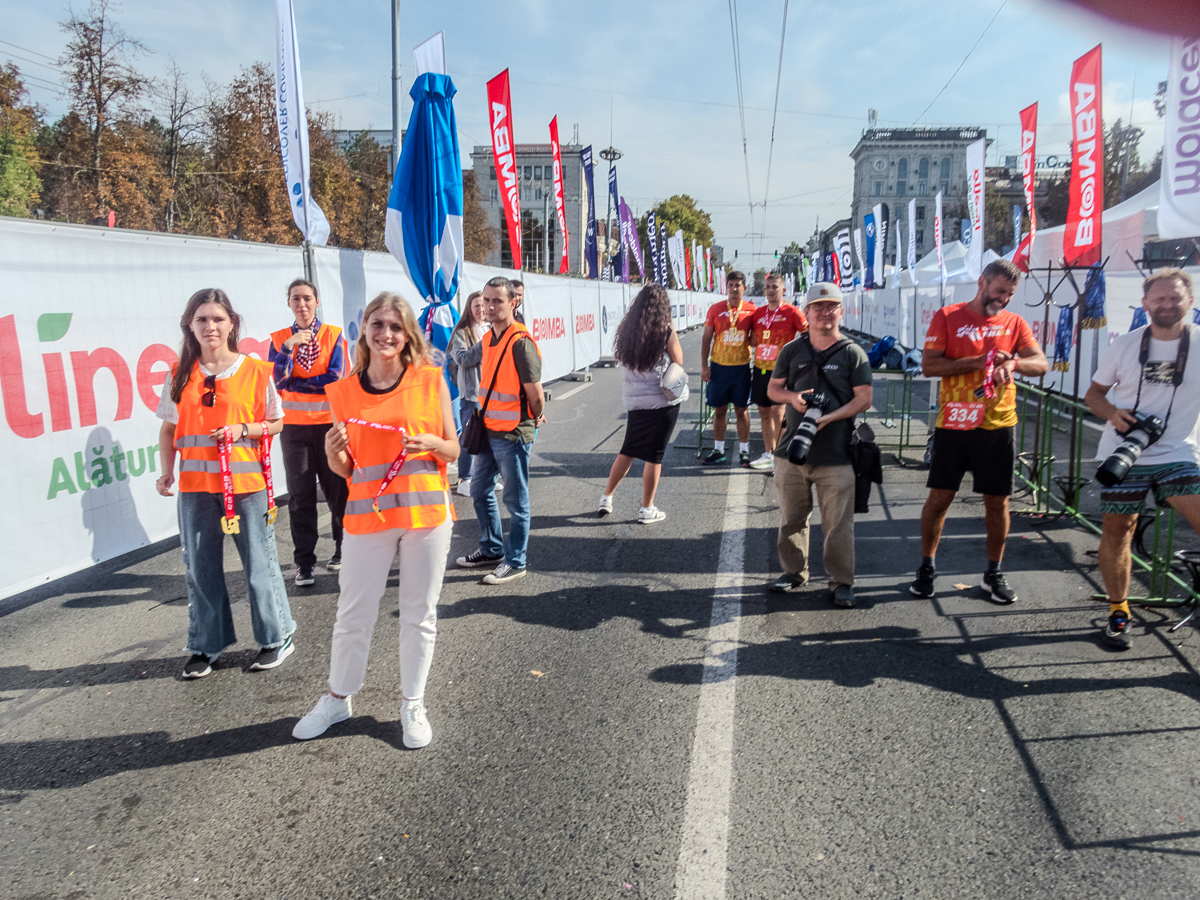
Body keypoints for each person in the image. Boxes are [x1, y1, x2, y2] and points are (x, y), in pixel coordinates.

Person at [293, 292, 459, 748]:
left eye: (395, 326)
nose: (385, 334)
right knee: (352, 614)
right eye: (377, 324)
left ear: (407, 335)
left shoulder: (429, 379)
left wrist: (430, 442)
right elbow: (349, 468)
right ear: (364, 329)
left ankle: (412, 703)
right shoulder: (343, 391)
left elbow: (453, 449)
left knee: (418, 615)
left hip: (426, 514)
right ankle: (337, 698)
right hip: (368, 517)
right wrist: (333, 454)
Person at [155, 289, 295, 679]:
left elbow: (277, 421)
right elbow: (169, 430)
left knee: (258, 566)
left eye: (217, 319)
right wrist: (167, 471)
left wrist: (243, 429)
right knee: (201, 569)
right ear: (190, 325)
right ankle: (206, 645)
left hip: (247, 487)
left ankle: (276, 637)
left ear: (231, 323)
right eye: (202, 319)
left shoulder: (254, 370)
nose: (210, 326)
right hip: (196, 488)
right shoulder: (178, 373)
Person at [909, 259, 1048, 604]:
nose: (1004, 299)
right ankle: (926, 567)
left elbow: (1041, 363)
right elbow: (929, 366)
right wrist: (980, 361)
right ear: (982, 282)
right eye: (1000, 290)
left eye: (1010, 294)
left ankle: (993, 573)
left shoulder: (1014, 322)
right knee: (940, 498)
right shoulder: (948, 316)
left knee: (997, 501)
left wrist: (1012, 362)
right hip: (954, 422)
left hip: (998, 424)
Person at [1084, 269, 1200, 649]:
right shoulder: (1125, 345)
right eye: (1159, 299)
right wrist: (1113, 415)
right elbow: (1095, 394)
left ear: (1191, 301)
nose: (1167, 305)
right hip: (1125, 452)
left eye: (1175, 298)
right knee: (1119, 530)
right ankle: (1119, 611)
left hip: (1178, 452)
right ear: (1145, 302)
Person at [766, 282, 873, 608]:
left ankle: (841, 582)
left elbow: (864, 399)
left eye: (831, 307)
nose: (825, 312)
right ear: (807, 312)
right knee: (791, 518)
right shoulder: (792, 350)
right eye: (818, 307)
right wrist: (793, 399)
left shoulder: (853, 353)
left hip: (837, 454)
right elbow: (773, 389)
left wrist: (830, 417)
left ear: (841, 311)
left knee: (838, 524)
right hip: (791, 451)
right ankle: (793, 572)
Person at [455, 276, 545, 584]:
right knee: (479, 490)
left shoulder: (520, 342)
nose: (489, 306)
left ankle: (516, 560)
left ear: (513, 303)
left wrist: (531, 420)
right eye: (486, 300)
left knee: (516, 503)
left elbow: (536, 396)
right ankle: (492, 548)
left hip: (513, 434)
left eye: (497, 301)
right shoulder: (489, 337)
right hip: (491, 430)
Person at [268, 279, 349, 586]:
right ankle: (304, 563)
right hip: (294, 429)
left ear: (317, 301)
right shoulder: (278, 340)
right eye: (295, 299)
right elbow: (276, 380)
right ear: (288, 303)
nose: (301, 304)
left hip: (330, 426)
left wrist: (295, 383)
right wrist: (288, 349)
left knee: (338, 492)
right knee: (300, 497)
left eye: (306, 298)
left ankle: (344, 549)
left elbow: (334, 380)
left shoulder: (334, 336)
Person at [597, 283, 687, 523]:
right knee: (654, 456)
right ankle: (647, 509)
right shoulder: (664, 331)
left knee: (628, 450)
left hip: (635, 402)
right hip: (661, 401)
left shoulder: (627, 329)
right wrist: (671, 328)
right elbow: (679, 360)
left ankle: (606, 497)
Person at [748, 273, 808, 471]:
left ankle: (780, 455)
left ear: (783, 290)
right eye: (767, 287)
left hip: (782, 371)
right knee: (764, 412)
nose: (770, 291)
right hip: (760, 369)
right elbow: (754, 339)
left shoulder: (792, 312)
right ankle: (768, 452)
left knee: (778, 413)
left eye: (774, 287)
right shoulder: (758, 313)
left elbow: (807, 334)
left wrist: (800, 359)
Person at [701, 271, 757, 467]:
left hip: (741, 368)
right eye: (731, 285)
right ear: (727, 287)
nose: (734, 289)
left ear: (744, 288)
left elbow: (755, 338)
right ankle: (719, 450)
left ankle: (744, 451)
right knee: (719, 411)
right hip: (719, 367)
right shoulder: (715, 309)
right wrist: (703, 366)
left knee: (742, 411)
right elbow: (707, 338)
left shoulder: (752, 310)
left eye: (738, 285)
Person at [448, 290, 487, 498]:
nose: (481, 310)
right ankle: (465, 478)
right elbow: (462, 359)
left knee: (487, 437)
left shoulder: (488, 328)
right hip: (472, 394)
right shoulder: (461, 332)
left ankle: (483, 476)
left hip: (490, 394)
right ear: (469, 309)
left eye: (483, 305)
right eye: (477, 306)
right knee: (469, 438)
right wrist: (484, 343)